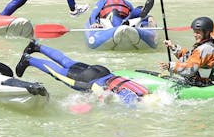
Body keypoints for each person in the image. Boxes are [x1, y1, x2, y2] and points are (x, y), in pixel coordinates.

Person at [15, 40, 149, 104]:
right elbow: (106, 99)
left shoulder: (144, 91)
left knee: (67, 62)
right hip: (88, 80)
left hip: (103, 71)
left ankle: (37, 46)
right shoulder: (133, 103)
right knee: (58, 73)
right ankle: (28, 60)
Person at [158, 17, 214, 87]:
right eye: (194, 31)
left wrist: (171, 66)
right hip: (199, 83)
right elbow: (188, 57)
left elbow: (190, 69)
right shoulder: (207, 47)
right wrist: (173, 47)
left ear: (207, 32)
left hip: (199, 85)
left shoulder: (205, 49)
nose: (194, 34)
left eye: (198, 32)